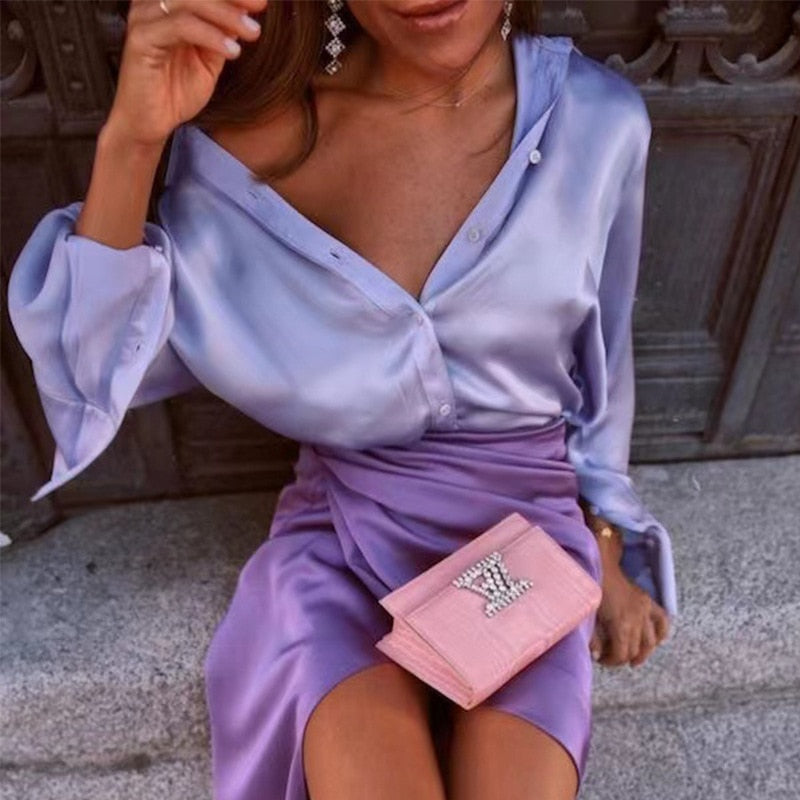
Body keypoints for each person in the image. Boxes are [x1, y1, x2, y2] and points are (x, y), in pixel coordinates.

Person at [7, 1, 679, 798]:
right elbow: (100, 363)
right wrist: (133, 140)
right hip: (343, 540)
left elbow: (603, 357)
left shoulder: (597, 122)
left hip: (523, 536)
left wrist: (604, 537)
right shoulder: (242, 153)